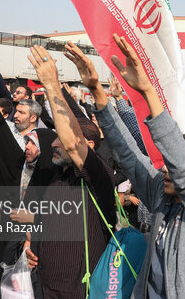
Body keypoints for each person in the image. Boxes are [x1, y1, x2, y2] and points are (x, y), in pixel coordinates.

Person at [68, 35, 185, 298]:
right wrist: (98, 92)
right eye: (167, 164)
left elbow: (181, 167)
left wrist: (148, 91)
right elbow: (128, 154)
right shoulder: (160, 194)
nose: (166, 169)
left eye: (176, 166)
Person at [23, 45, 116, 299]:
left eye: (59, 139)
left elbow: (73, 142)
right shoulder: (57, 175)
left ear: (90, 147)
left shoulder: (99, 176)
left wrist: (52, 85)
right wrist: (33, 245)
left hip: (79, 290)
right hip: (45, 285)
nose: (53, 143)